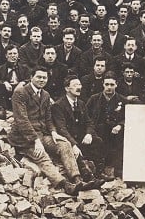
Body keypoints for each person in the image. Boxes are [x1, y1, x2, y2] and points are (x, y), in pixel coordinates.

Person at [8, 66, 92, 195]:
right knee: (42, 155)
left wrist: (53, 132)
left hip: (42, 134)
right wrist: (35, 140)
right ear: (31, 77)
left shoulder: (45, 95)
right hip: (23, 137)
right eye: (39, 77)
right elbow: (22, 120)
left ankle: (77, 179)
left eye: (44, 77)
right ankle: (64, 184)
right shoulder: (20, 93)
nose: (42, 80)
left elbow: (48, 119)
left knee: (64, 144)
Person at [51, 75, 104, 184]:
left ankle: (99, 173)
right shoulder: (58, 105)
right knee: (75, 152)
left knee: (98, 141)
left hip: (81, 137)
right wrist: (73, 144)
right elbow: (62, 129)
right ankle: (88, 178)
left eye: (79, 84)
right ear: (67, 88)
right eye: (75, 85)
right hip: (68, 138)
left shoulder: (81, 103)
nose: (79, 87)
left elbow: (89, 122)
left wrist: (89, 134)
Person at [82, 71, 128, 179]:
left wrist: (120, 125)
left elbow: (128, 116)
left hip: (115, 131)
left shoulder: (122, 100)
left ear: (116, 84)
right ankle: (99, 170)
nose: (109, 87)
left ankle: (116, 169)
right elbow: (86, 116)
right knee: (99, 139)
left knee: (121, 138)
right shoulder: (94, 99)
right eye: (107, 84)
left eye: (112, 85)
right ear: (103, 84)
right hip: (98, 130)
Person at [0, 45, 30, 118]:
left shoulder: (24, 68)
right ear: (6, 56)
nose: (13, 56)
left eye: (15, 53)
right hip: (6, 92)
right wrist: (4, 82)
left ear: (18, 55)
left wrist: (22, 83)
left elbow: (30, 79)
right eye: (10, 54)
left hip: (20, 91)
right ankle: (1, 109)